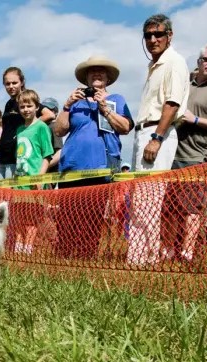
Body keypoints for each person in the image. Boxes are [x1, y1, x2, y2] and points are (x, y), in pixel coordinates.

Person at [52, 56, 134, 260]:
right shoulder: (76, 102)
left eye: (101, 71)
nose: (97, 73)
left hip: (101, 165)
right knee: (67, 216)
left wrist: (104, 108)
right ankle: (65, 257)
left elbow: (125, 127)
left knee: (93, 216)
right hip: (72, 165)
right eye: (92, 71)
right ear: (86, 77)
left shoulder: (117, 99)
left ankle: (87, 257)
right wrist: (66, 105)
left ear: (107, 77)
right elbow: (60, 131)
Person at [126, 14, 189, 267]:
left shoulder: (174, 62)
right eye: (148, 35)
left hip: (156, 132)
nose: (153, 39)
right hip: (144, 132)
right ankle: (139, 255)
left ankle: (147, 257)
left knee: (149, 199)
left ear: (169, 36)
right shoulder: (155, 65)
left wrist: (156, 137)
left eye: (158, 34)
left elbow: (172, 104)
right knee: (140, 199)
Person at [162, 43, 207, 263]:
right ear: (199, 62)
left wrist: (195, 120)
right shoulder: (185, 84)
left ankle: (188, 253)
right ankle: (168, 251)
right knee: (170, 209)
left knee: (192, 209)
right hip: (170, 156)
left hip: (197, 159)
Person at [13, 89, 54, 255]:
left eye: (29, 105)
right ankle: (18, 248)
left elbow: (47, 155)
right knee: (18, 218)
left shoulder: (42, 127)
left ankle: (28, 250)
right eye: (22, 106)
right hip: (20, 181)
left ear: (37, 107)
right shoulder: (19, 130)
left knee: (32, 219)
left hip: (34, 182)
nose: (26, 109)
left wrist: (40, 177)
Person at [0, 67, 55, 180]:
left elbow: (49, 115)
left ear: (22, 82)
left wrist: (28, 129)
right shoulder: (9, 104)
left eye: (14, 83)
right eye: (7, 84)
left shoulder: (26, 99)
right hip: (3, 158)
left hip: (19, 159)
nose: (11, 86)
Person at [40, 98, 64, 173]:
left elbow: (59, 152)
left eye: (49, 109)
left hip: (49, 173)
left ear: (56, 112)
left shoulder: (54, 126)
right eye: (44, 109)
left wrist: (43, 167)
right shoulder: (42, 127)